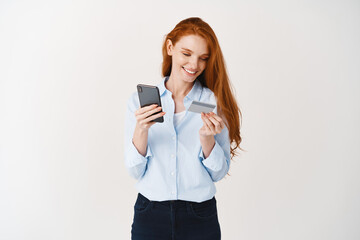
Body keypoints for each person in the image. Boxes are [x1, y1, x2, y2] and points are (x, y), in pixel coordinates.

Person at [124, 17, 242, 240]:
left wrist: (207, 140)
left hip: (199, 216)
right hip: (150, 214)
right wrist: (141, 130)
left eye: (203, 58)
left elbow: (218, 173)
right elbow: (134, 171)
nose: (194, 65)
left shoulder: (214, 103)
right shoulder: (138, 103)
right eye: (186, 54)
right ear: (170, 47)